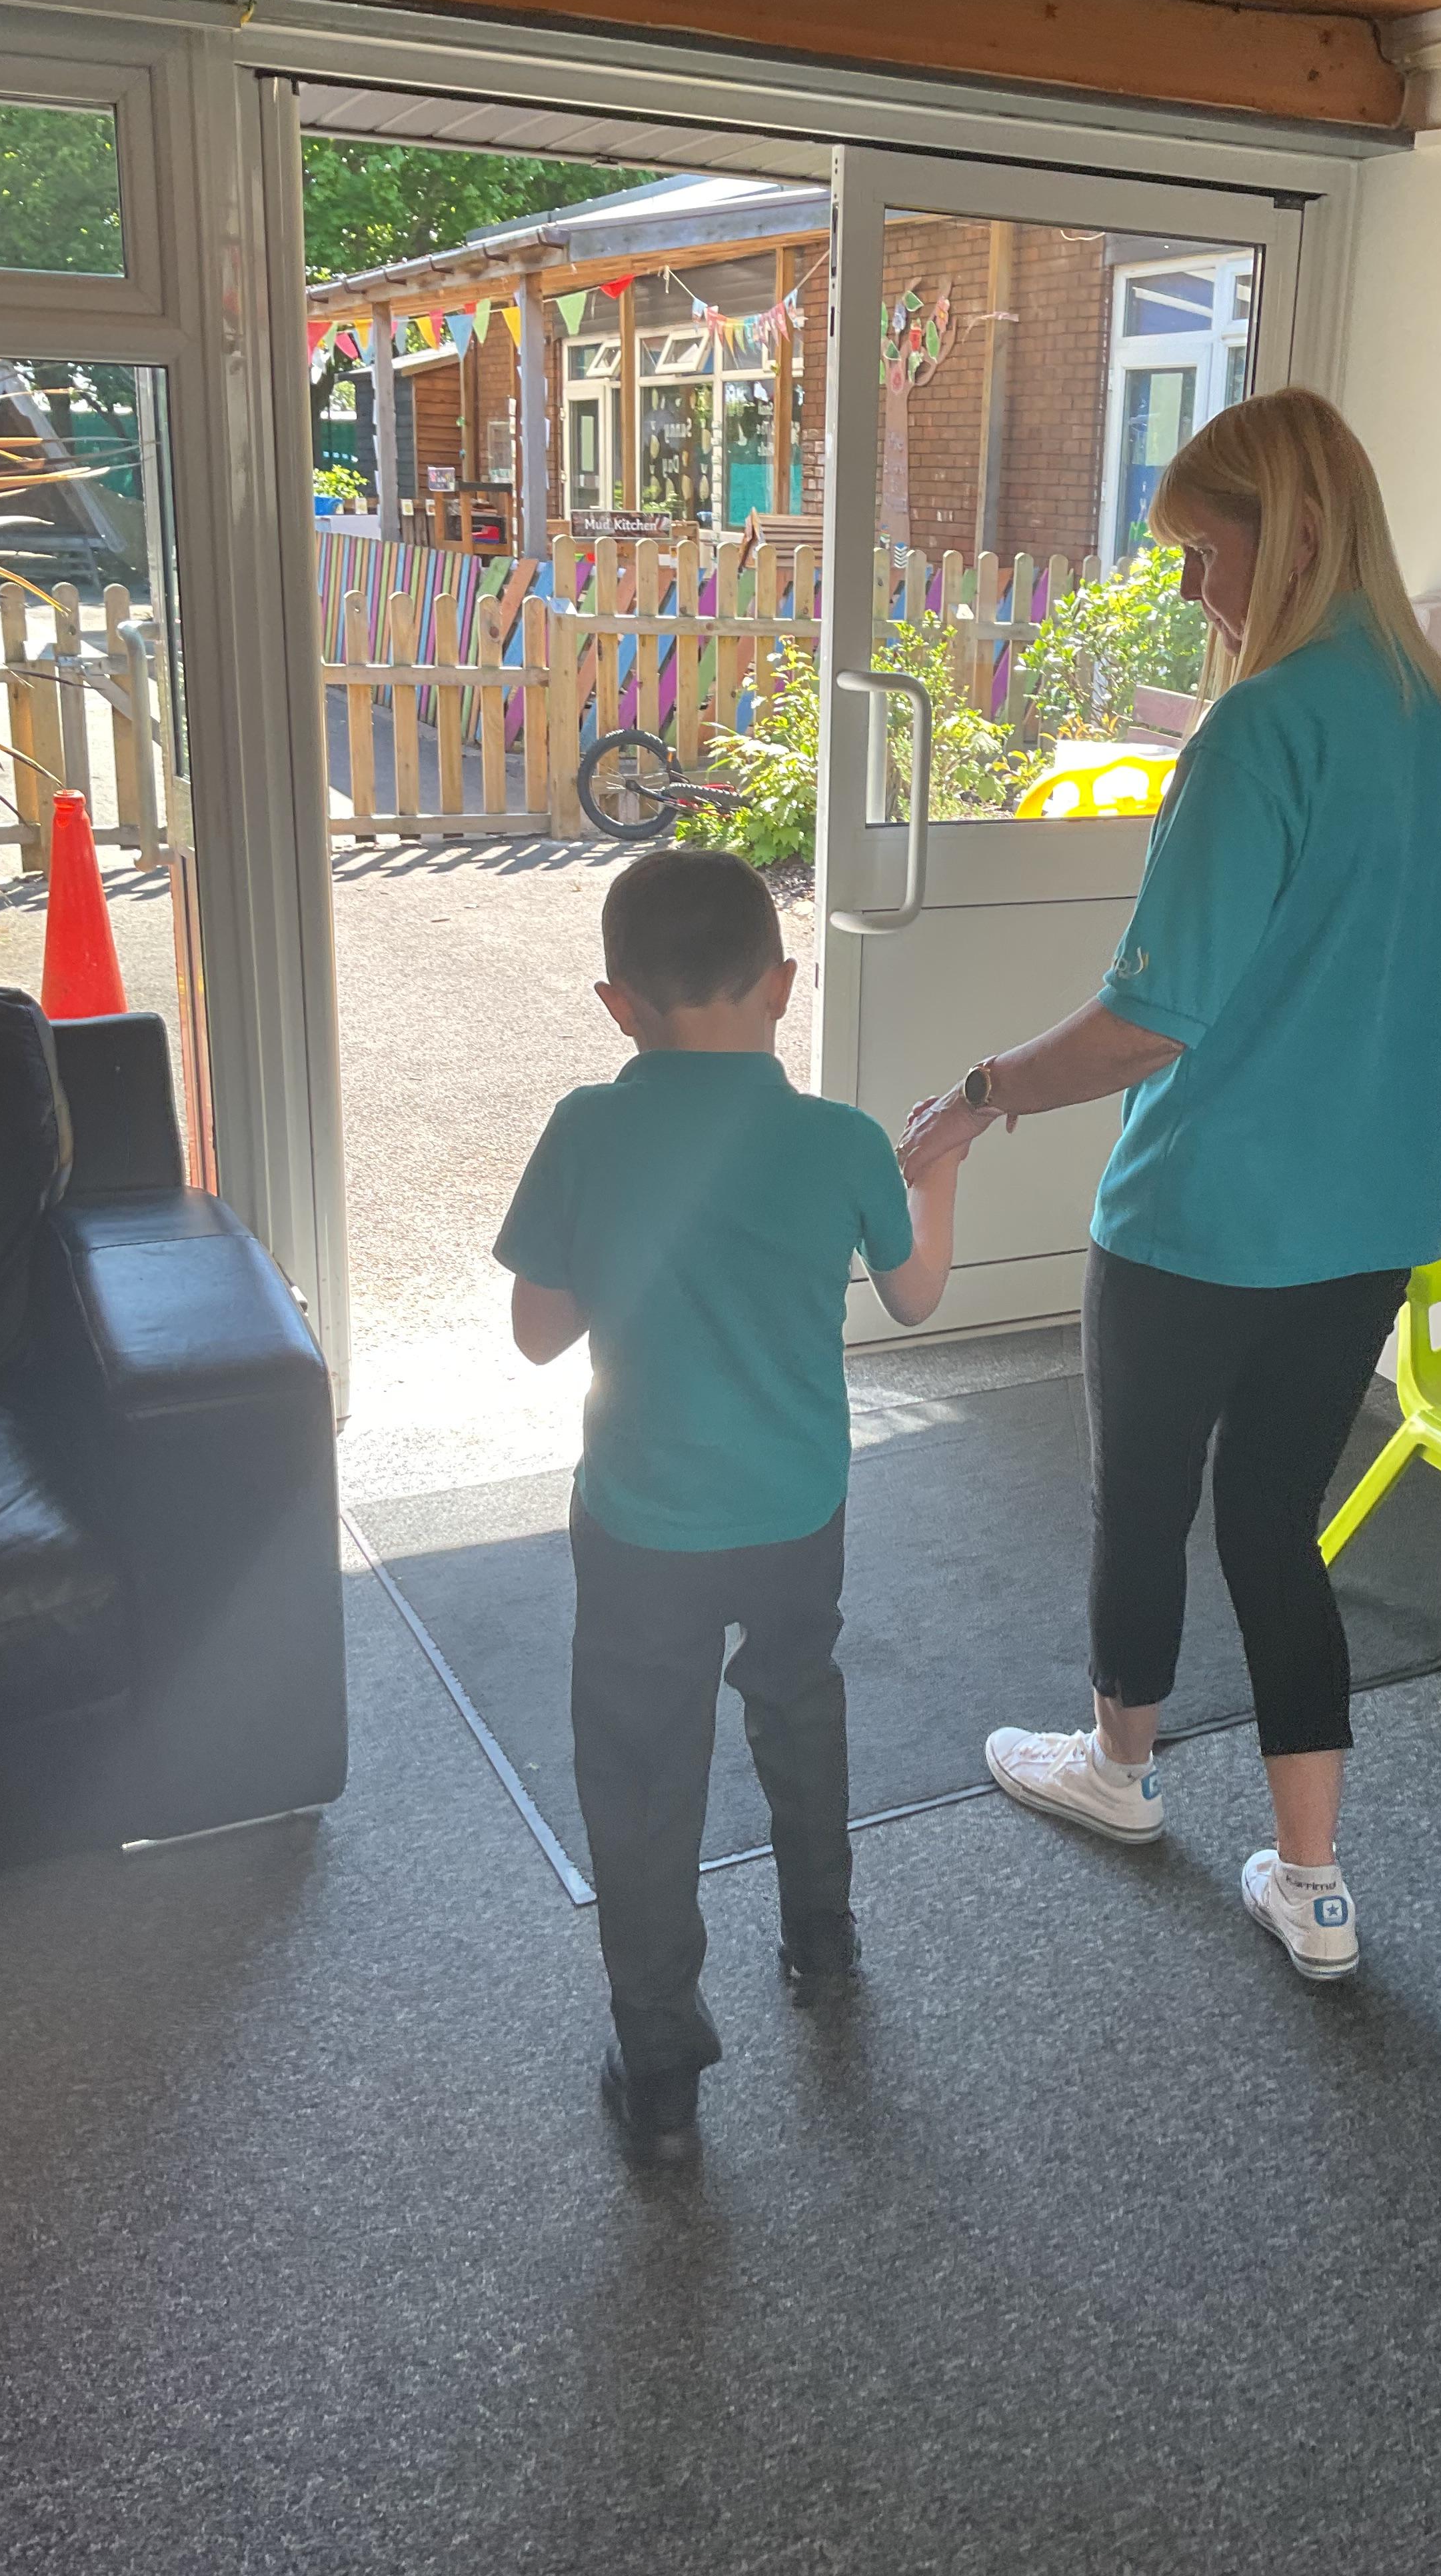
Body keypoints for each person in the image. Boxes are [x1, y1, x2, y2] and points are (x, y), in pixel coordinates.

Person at [897, 387, 1441, 1985]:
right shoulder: (1438, 717)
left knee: (1144, 1501)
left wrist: (978, 1096)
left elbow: (1150, 1020)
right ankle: (1316, 1884)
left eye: (1202, 553)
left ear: (1293, 535)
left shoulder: (1259, 725)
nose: (1191, 590)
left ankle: (1120, 1768)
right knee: (1277, 1526)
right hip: (1367, 1214)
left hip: (1202, 1218)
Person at [497, 847, 960, 2165]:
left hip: (642, 1520)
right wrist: (938, 1172)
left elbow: (538, 1335)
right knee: (800, 1702)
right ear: (784, 983)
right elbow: (916, 1295)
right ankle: (823, 1943)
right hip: (797, 1506)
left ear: (617, 1004)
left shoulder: (586, 1128)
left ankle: (660, 2073)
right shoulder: (842, 1140)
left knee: (642, 1769)